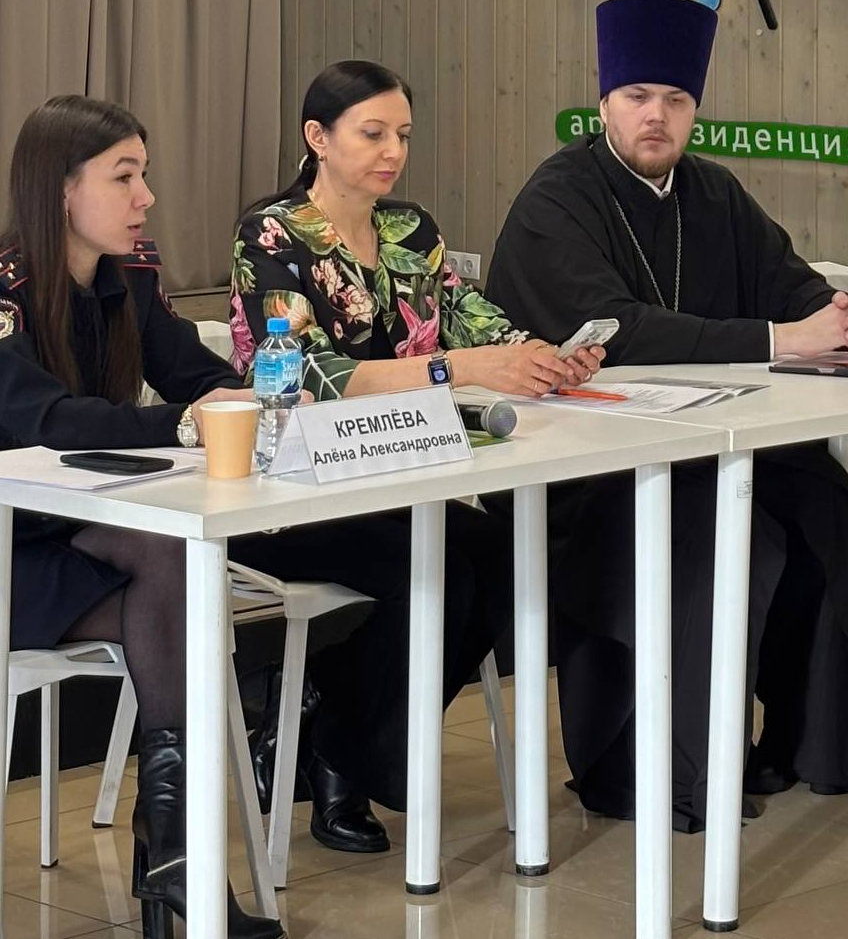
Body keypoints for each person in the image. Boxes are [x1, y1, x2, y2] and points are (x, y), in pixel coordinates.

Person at [485, 0, 848, 831]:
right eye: (638, 96)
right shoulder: (556, 197)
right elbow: (617, 329)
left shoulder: (714, 192)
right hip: (586, 465)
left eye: (675, 99)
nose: (656, 116)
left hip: (704, 440)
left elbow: (791, 286)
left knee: (820, 497)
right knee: (719, 525)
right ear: (603, 100)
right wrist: (785, 337)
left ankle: (803, 743)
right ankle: (663, 767)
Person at [231, 60, 604, 848]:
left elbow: (476, 321)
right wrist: (456, 368)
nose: (393, 151)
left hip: (397, 472)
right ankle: (341, 754)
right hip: (296, 488)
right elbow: (307, 372)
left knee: (503, 557)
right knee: (434, 572)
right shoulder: (272, 232)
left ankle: (333, 734)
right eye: (372, 133)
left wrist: (542, 356)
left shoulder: (412, 230)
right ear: (317, 137)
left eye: (402, 134)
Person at [0, 97, 286, 938]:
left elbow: (199, 375)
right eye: (124, 176)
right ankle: (173, 860)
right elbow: (47, 422)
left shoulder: (129, 279)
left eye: (145, 173)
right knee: (174, 569)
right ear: (61, 189)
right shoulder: (6, 292)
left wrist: (259, 398)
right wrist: (188, 424)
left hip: (82, 534)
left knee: (174, 560)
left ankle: (177, 856)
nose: (146, 196)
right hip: (14, 548)